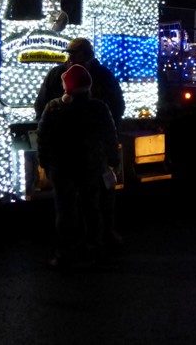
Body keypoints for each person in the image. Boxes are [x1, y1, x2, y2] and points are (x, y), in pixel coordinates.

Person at [35, 37, 126, 246]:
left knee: (98, 200)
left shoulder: (102, 77)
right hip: (81, 157)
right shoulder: (58, 76)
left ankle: (98, 238)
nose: (70, 57)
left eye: (74, 53)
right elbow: (41, 112)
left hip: (89, 157)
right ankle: (85, 245)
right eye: (69, 54)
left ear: (86, 54)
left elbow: (116, 109)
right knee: (78, 206)